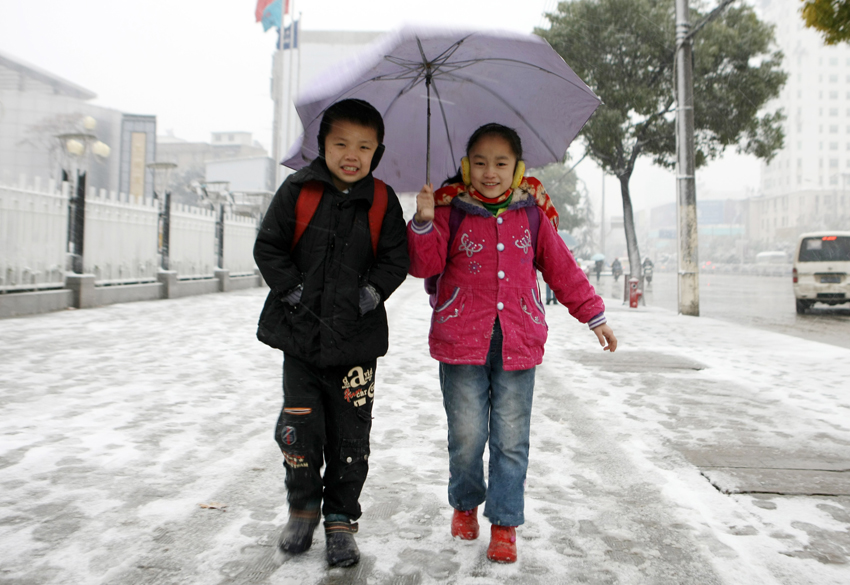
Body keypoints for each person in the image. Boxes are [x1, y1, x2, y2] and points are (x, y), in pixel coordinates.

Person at [407, 123, 617, 564]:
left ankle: (504, 522)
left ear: (517, 168)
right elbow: (423, 264)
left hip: (519, 341)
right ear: (466, 167)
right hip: (460, 340)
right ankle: (465, 504)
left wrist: (593, 314)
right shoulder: (450, 209)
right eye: (479, 162)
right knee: (466, 436)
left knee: (511, 439)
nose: (490, 172)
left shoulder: (532, 213)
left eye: (501, 163)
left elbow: (562, 268)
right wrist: (424, 222)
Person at [253, 99, 409, 568]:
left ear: (377, 152)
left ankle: (341, 520)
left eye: (364, 146)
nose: (351, 154)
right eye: (341, 143)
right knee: (300, 429)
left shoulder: (382, 201)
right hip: (300, 341)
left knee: (350, 438)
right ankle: (302, 510)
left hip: (356, 347)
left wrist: (374, 291)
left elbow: (396, 259)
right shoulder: (298, 190)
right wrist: (292, 289)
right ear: (322, 144)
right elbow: (269, 246)